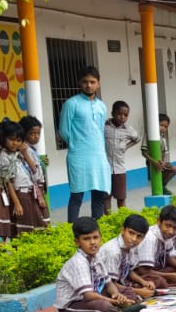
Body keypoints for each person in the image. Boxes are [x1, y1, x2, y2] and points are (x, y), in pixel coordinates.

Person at [55, 218, 137, 312]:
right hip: (72, 306)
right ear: (77, 242)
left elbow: (108, 283)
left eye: (95, 237)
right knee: (103, 306)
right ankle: (118, 311)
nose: (93, 242)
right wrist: (114, 301)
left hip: (93, 297)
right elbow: (88, 295)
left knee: (128, 292)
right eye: (86, 239)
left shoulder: (96, 256)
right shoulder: (78, 262)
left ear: (100, 238)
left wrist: (117, 295)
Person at [58, 67, 110, 222]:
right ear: (79, 83)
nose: (89, 85)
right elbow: (63, 131)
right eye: (85, 82)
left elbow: (100, 131)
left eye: (93, 82)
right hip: (78, 155)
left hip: (99, 156)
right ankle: (71, 232)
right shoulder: (71, 104)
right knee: (76, 195)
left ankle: (98, 227)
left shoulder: (102, 106)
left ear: (98, 84)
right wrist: (78, 144)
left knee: (99, 195)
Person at [95, 214, 157, 302]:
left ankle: (134, 299)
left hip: (121, 282)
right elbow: (110, 284)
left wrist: (143, 282)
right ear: (123, 230)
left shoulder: (130, 246)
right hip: (104, 287)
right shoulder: (113, 251)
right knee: (130, 295)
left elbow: (128, 271)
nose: (134, 239)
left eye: (139, 236)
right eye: (131, 233)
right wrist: (138, 292)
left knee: (153, 282)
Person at [132, 205, 176, 285]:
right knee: (160, 281)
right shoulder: (150, 238)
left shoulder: (167, 235)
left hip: (156, 268)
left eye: (175, 228)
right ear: (159, 221)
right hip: (139, 272)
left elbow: (167, 257)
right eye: (168, 225)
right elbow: (142, 270)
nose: (171, 231)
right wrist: (168, 276)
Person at [1, 120, 38, 235]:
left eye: (18, 140)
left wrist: (25, 154)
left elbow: (34, 169)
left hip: (29, 192)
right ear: (3, 139)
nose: (15, 143)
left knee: (31, 227)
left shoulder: (19, 154)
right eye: (11, 140)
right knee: (22, 229)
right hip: (19, 194)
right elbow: (9, 182)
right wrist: (17, 203)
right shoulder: (4, 156)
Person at [103, 101, 139, 212]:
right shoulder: (104, 126)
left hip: (119, 168)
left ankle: (122, 217)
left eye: (125, 115)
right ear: (112, 113)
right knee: (106, 196)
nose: (122, 117)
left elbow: (137, 139)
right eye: (119, 114)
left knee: (121, 197)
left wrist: (126, 147)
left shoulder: (128, 129)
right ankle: (108, 218)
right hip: (105, 168)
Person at [19, 116, 51, 227]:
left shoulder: (32, 149)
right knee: (39, 221)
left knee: (41, 219)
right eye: (32, 133)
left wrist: (43, 164)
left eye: (38, 133)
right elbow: (33, 172)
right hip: (33, 189)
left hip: (37, 188)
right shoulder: (25, 150)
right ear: (24, 133)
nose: (36, 136)